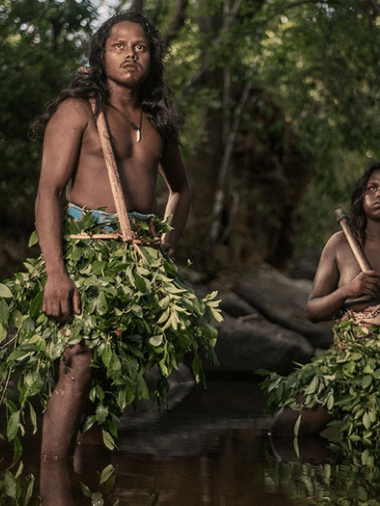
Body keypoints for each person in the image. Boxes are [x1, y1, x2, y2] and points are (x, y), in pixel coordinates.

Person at [14, 12, 207, 460]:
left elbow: (180, 189)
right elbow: (49, 192)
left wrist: (168, 246)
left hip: (137, 261)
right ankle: (52, 478)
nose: (129, 54)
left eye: (139, 47)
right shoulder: (78, 110)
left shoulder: (158, 121)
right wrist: (56, 274)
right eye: (118, 45)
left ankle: (80, 477)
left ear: (152, 57)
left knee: (107, 375)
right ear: (101, 55)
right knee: (78, 360)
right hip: (86, 251)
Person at [265, 162, 380, 455]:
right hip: (347, 362)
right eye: (372, 188)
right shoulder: (340, 244)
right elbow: (314, 311)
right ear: (361, 197)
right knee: (286, 428)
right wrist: (347, 291)